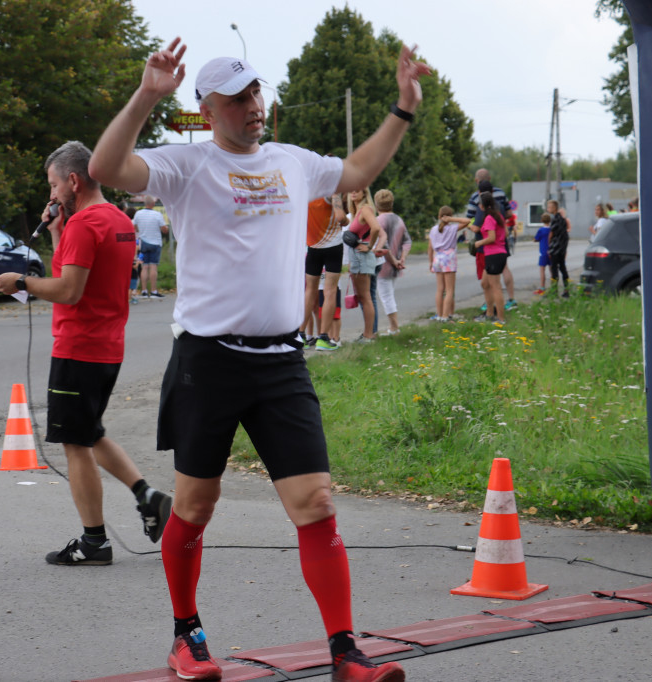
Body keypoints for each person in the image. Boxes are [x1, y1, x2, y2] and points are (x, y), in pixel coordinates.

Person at [89, 37, 428, 682]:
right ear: (208, 107)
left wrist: (402, 109)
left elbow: (356, 172)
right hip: (208, 361)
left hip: (281, 363)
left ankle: (344, 652)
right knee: (194, 506)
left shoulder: (291, 161)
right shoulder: (185, 165)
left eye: (257, 92)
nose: (254, 105)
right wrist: (146, 94)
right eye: (239, 96)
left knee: (317, 503)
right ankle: (187, 636)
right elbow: (107, 167)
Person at [0, 142, 171, 566]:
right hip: (107, 345)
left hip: (79, 347)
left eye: (53, 185)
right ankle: (148, 497)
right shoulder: (118, 221)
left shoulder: (85, 224)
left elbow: (68, 291)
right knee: (90, 430)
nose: (51, 196)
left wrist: (21, 282)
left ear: (73, 181)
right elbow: (75, 275)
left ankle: (94, 542)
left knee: (75, 441)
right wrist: (55, 231)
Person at [300, 192, 346, 351]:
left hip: (312, 246)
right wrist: (347, 220)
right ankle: (323, 338)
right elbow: (340, 217)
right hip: (333, 246)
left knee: (310, 290)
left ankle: (301, 335)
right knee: (330, 290)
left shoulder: (307, 191)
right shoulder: (333, 191)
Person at [466, 170, 517, 312]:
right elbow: (509, 213)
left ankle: (491, 306)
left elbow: (470, 218)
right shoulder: (500, 194)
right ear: (490, 179)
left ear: (477, 181)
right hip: (501, 238)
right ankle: (512, 299)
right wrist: (500, 223)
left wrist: (471, 226)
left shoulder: (476, 198)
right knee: (505, 268)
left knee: (489, 278)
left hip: (485, 241)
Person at [373, 189, 411, 335]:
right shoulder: (399, 220)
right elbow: (407, 240)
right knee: (390, 294)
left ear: (376, 204)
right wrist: (402, 258)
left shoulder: (377, 221)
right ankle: (393, 327)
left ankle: (394, 327)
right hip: (396, 264)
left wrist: (394, 260)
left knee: (385, 296)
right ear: (392, 203)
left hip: (383, 264)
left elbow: (383, 245)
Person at [346, 188, 382, 343]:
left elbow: (376, 228)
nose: (353, 192)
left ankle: (369, 335)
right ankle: (368, 333)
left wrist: (369, 246)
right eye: (351, 190)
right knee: (363, 297)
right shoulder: (357, 211)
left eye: (357, 190)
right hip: (357, 257)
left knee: (366, 297)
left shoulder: (365, 209)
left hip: (362, 256)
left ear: (364, 193)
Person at [427, 206, 469, 321]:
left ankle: (439, 315)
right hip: (449, 258)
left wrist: (431, 262)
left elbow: (430, 248)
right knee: (450, 290)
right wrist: (452, 219)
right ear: (449, 217)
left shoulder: (433, 229)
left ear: (438, 217)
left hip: (437, 258)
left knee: (440, 289)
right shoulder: (452, 228)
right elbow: (467, 221)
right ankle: (446, 316)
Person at [472, 192, 509, 323]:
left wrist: (479, 243)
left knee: (495, 286)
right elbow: (506, 232)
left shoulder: (488, 218)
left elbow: (491, 238)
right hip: (498, 253)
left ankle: (500, 319)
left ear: (482, 206)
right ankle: (489, 314)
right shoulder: (498, 216)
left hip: (493, 254)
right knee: (485, 283)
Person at [133, 195, 168, 299]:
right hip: (155, 243)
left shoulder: (138, 214)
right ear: (153, 204)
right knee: (153, 267)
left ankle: (144, 291)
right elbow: (164, 229)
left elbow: (134, 227)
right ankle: (153, 291)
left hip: (143, 243)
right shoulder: (157, 215)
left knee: (144, 267)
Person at [546, 199, 570, 298]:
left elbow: (551, 233)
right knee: (563, 269)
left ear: (554, 208)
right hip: (562, 248)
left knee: (554, 270)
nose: (548, 209)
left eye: (549, 207)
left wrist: (549, 246)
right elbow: (565, 234)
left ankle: (554, 291)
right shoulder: (563, 219)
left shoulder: (555, 219)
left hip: (555, 248)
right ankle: (566, 290)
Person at [533, 212, 552, 295]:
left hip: (543, 252)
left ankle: (542, 287)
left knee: (542, 270)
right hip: (551, 252)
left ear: (541, 220)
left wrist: (535, 240)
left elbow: (536, 239)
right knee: (552, 270)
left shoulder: (541, 230)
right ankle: (553, 287)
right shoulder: (551, 229)